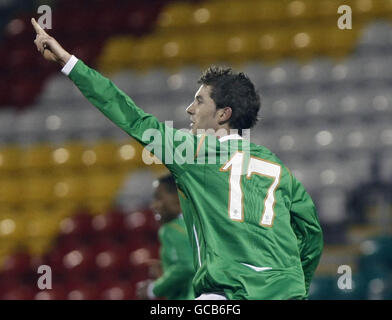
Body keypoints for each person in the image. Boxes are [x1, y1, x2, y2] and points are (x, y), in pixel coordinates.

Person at [31, 18, 323, 300]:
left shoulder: (192, 152)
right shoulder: (277, 167)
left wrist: (69, 63)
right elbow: (311, 235)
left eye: (199, 101)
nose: (189, 109)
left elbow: (129, 115)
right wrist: (296, 284)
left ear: (223, 114)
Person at [136, 174, 195, 300]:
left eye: (158, 198)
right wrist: (167, 269)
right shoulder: (196, 224)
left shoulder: (171, 229)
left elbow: (186, 266)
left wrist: (153, 289)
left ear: (177, 197)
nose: (154, 205)